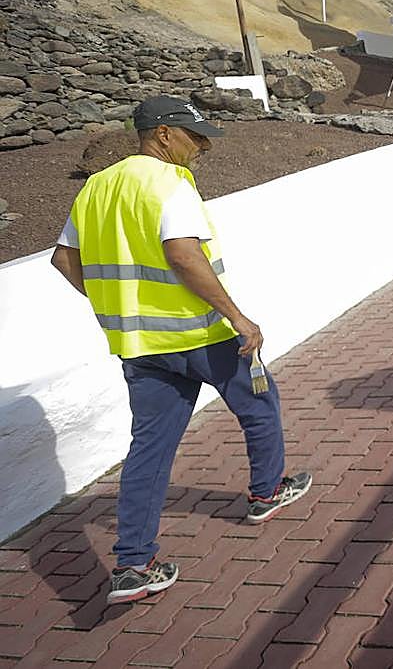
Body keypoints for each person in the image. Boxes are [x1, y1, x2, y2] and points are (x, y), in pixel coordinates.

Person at [49, 96, 311, 605]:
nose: (204, 145)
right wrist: (239, 318)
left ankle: (133, 564)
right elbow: (184, 255)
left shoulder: (96, 187)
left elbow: (63, 259)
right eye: (195, 135)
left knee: (149, 448)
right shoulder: (169, 183)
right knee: (258, 404)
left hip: (140, 345)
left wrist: (116, 305)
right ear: (162, 134)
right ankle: (266, 493)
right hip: (201, 335)